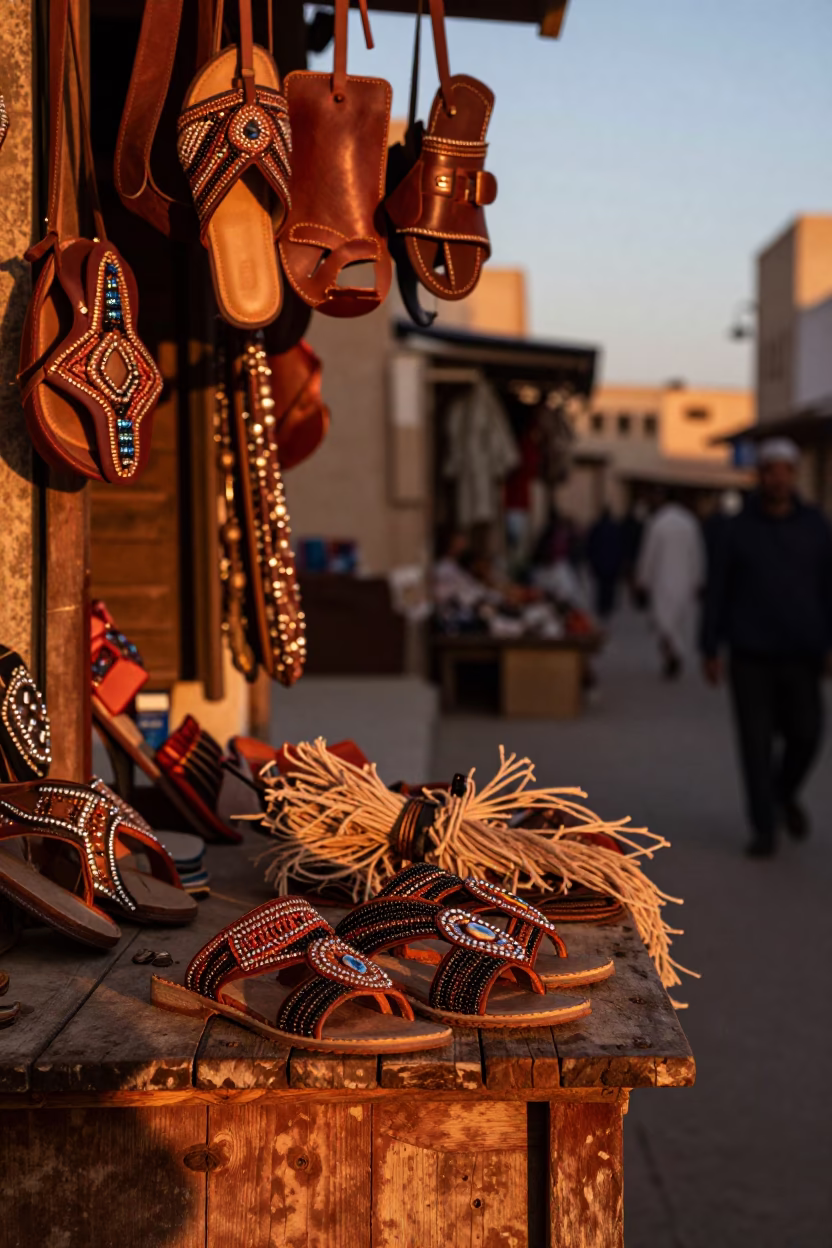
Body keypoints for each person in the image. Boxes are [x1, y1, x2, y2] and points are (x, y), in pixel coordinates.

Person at [700, 438, 832, 857]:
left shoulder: (815, 526)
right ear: (760, 475)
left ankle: (782, 793)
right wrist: (709, 647)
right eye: (770, 469)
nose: (777, 477)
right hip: (750, 655)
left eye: (785, 470)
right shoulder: (737, 528)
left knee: (807, 735)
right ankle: (763, 827)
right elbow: (716, 589)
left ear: (794, 475)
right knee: (755, 744)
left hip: (802, 653)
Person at [636, 490, 705, 678]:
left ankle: (670, 654)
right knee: (679, 622)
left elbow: (649, 553)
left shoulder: (658, 523)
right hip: (685, 579)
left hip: (661, 579)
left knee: (663, 622)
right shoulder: (690, 523)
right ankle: (675, 653)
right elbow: (697, 553)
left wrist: (643, 578)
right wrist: (698, 578)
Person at [586, 506, 624, 620]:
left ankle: (603, 606)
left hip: (601, 563)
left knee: (602, 587)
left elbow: (590, 546)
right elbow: (620, 546)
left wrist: (592, 561)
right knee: (609, 587)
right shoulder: (615, 527)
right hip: (611, 563)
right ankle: (607, 606)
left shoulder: (597, 527)